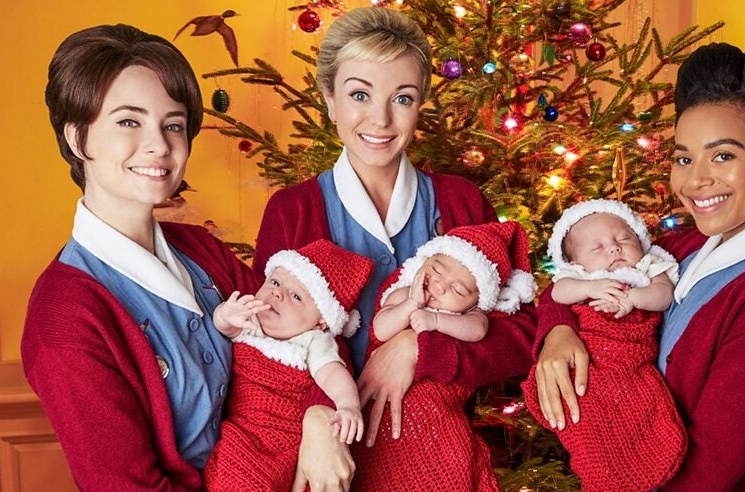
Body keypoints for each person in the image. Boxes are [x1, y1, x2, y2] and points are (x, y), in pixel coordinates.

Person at [252, 6, 536, 488]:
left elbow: (520, 336)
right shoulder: (293, 210)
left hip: (439, 461)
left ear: (421, 101)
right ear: (329, 99)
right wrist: (318, 418)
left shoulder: (461, 202)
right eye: (359, 94)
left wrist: (417, 347)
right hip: (332, 468)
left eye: (401, 98)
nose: (380, 120)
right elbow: (262, 344)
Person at [533, 42, 745, 490]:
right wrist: (558, 332)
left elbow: (706, 474)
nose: (695, 181)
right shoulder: (683, 245)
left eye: (723, 156)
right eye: (684, 157)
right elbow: (568, 283)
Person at [20, 24, 263, 489]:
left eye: (172, 124)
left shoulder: (203, 251)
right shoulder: (65, 315)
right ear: (77, 138)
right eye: (129, 121)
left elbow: (294, 344)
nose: (159, 145)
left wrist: (315, 425)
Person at [354, 221, 535, 490]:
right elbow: (380, 330)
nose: (439, 287)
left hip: (439, 416)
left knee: (449, 469)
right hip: (381, 404)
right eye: (436, 270)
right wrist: (411, 306)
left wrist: (436, 323)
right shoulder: (405, 294)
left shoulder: (469, 315)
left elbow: (479, 329)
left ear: (478, 301)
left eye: (459, 289)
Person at [521, 199, 686, 491]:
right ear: (575, 262)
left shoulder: (648, 266)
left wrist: (635, 298)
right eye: (597, 247)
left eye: (624, 238)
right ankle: (600, 471)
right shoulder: (580, 276)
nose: (614, 248)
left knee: (641, 407)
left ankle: (638, 463)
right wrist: (588, 288)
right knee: (585, 411)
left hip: (629, 358)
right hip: (587, 355)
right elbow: (559, 292)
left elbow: (663, 294)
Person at [204, 240, 373, 490]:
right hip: (243, 429)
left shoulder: (312, 340)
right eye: (275, 282)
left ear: (321, 323)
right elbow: (223, 328)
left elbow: (333, 374)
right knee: (234, 473)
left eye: (296, 296)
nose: (278, 293)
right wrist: (225, 315)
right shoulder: (249, 322)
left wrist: (347, 405)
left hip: (288, 435)